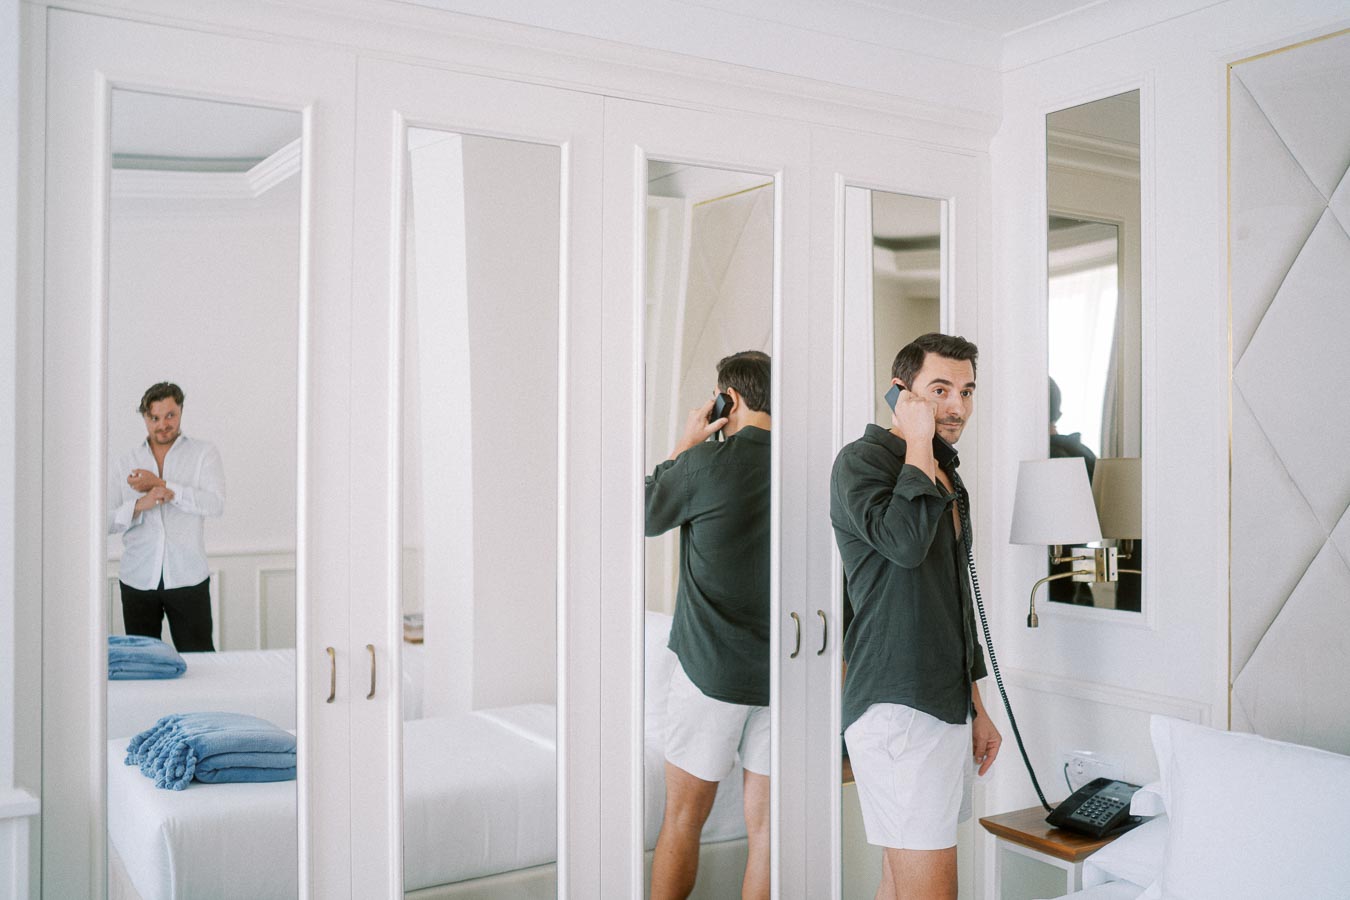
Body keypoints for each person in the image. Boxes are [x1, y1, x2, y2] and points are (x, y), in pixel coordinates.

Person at [830, 333, 1001, 900]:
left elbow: (950, 604)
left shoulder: (945, 474)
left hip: (941, 703)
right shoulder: (861, 462)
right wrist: (920, 445)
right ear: (901, 394)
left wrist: (975, 706)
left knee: (900, 883)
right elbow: (902, 544)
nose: (957, 406)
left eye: (967, 391)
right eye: (940, 389)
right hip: (898, 708)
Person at [646, 350, 772, 900]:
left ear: (730, 400)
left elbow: (646, 512)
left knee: (682, 820)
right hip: (781, 680)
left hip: (709, 675)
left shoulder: (705, 466)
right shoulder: (808, 467)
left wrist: (687, 443)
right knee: (768, 833)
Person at [107, 382, 225, 652]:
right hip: (137, 580)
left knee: (200, 663)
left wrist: (162, 484)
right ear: (144, 417)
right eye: (154, 417)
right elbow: (103, 520)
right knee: (143, 668)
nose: (163, 424)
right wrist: (140, 504)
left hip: (187, 578)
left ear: (181, 410)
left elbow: (215, 505)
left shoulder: (204, 454)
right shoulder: (125, 462)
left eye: (170, 415)